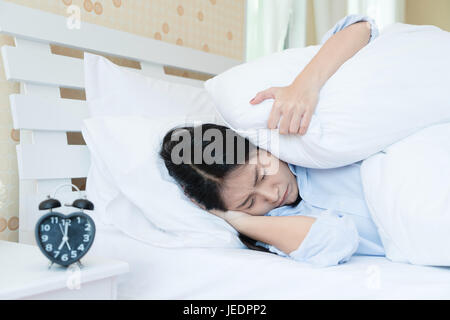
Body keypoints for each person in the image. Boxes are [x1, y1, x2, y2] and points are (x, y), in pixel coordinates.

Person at [159, 15, 385, 267]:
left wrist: (304, 86)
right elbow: (337, 241)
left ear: (256, 145)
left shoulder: (307, 140)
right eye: (250, 202)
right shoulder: (279, 220)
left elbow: (361, 29)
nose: (272, 194)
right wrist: (237, 220)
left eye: (261, 175)